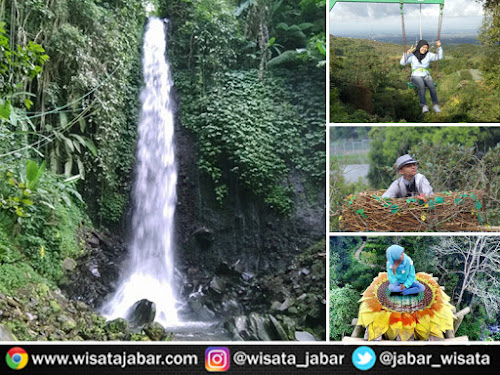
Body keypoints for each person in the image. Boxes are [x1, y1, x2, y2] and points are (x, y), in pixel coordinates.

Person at [400, 39, 443, 113]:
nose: (424, 49)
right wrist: (407, 54)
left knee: (432, 87)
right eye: (423, 47)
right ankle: (424, 105)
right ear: (419, 46)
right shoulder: (412, 55)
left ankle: (435, 105)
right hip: (415, 75)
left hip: (425, 74)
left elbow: (439, 57)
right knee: (421, 86)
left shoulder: (429, 55)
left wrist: (439, 48)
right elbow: (402, 63)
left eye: (426, 48)